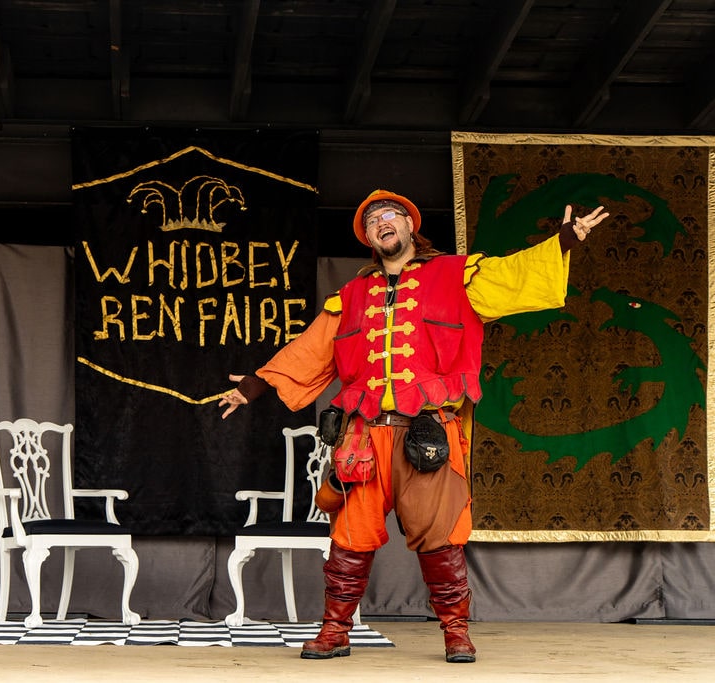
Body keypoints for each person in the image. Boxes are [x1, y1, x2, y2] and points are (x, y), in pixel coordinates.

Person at [219, 188, 609, 663]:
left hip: (429, 430)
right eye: (373, 220)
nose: (383, 223)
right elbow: (311, 348)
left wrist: (564, 241)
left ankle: (456, 632)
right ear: (369, 237)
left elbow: (516, 274)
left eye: (392, 215)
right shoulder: (351, 295)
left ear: (409, 226)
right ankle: (335, 630)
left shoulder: (458, 274)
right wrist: (254, 385)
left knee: (440, 534)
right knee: (349, 537)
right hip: (363, 434)